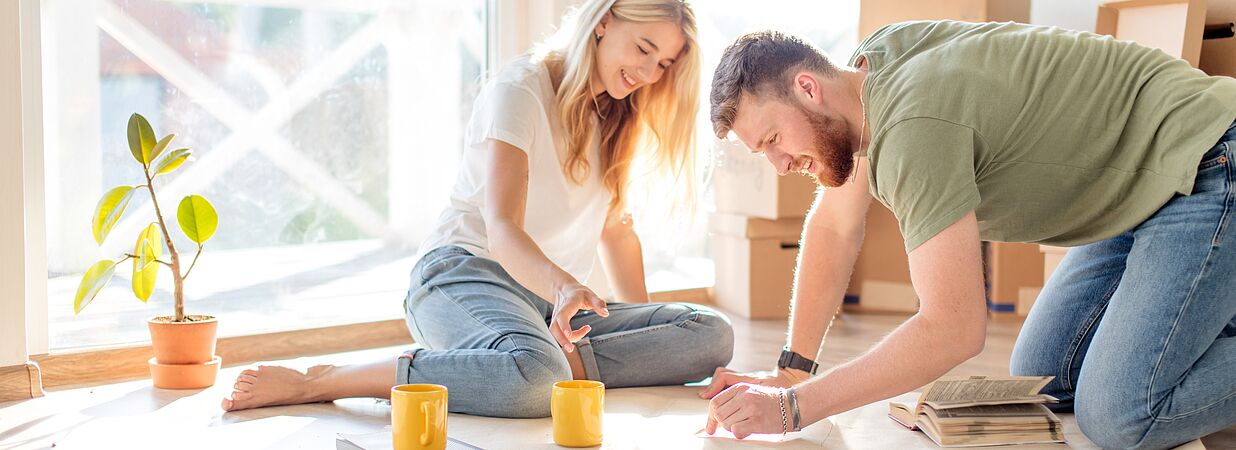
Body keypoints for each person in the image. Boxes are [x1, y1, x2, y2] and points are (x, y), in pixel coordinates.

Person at [701, 22, 1236, 448]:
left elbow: (953, 328)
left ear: (807, 88)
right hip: (1137, 188)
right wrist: (793, 373)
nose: (778, 164)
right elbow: (835, 226)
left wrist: (796, 409)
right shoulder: (868, 75)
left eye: (773, 138)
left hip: (1206, 156)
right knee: (1044, 379)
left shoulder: (912, 127)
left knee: (1121, 418)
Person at [221, 0, 733, 418]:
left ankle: (540, 361)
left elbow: (617, 233)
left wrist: (647, 335)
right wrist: (565, 290)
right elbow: (503, 227)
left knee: (710, 333)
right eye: (644, 49)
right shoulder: (521, 88)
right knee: (537, 379)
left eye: (664, 64)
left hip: (550, 309)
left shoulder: (617, 117)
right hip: (462, 273)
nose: (649, 72)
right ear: (603, 21)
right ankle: (325, 380)